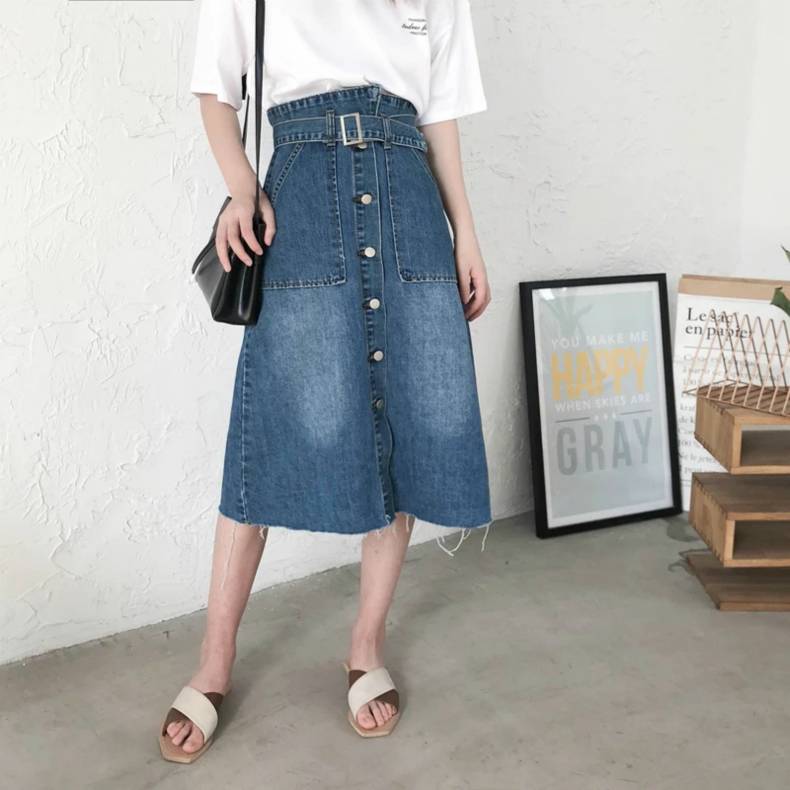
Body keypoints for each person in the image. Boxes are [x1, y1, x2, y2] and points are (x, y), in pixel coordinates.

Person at [159, 0, 492, 763]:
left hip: (409, 197)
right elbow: (216, 89)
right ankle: (213, 663)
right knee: (269, 428)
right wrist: (242, 187)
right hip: (302, 200)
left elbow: (439, 113)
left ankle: (365, 647)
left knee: (402, 429)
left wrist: (466, 232)